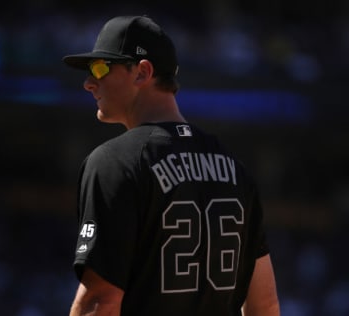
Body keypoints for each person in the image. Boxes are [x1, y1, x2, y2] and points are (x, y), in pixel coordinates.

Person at [62, 15, 280, 316]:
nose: (88, 83)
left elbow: (99, 302)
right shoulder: (235, 169)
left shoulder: (115, 162)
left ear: (142, 72)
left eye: (101, 69)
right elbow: (264, 306)